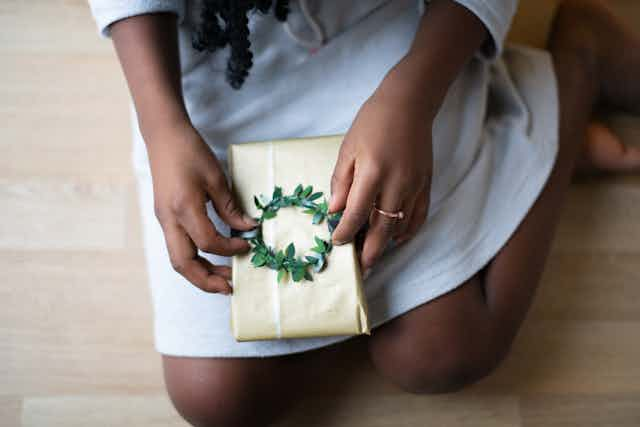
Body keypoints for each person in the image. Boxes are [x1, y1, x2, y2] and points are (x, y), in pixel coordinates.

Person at [88, 0, 640, 425]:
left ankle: (575, 67)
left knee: (445, 353)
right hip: (214, 72)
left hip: (397, 45)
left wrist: (413, 98)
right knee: (214, 399)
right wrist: (162, 126)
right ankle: (532, 144)